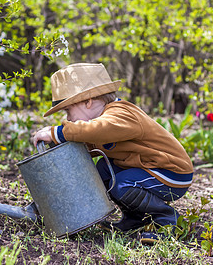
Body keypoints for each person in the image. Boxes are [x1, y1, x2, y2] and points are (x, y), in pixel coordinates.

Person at [32, 63, 193, 244]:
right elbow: (87, 144)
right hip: (148, 167)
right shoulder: (101, 124)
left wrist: (59, 133)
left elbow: (98, 129)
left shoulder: (121, 114)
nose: (68, 118)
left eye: (68, 110)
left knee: (123, 185)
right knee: (102, 170)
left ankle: (170, 222)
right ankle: (134, 218)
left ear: (88, 101)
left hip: (172, 171)